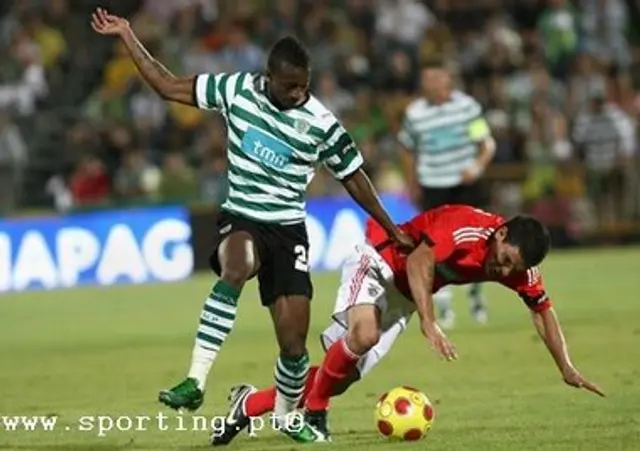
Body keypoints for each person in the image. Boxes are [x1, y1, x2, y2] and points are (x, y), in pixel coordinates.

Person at [90, 8, 415, 425]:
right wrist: (127, 35)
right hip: (242, 217)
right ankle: (195, 381)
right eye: (290, 86)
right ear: (269, 77)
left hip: (289, 231)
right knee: (236, 265)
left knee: (294, 344)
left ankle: (285, 418)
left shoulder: (321, 123)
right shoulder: (236, 89)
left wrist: (391, 228)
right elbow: (167, 86)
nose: (298, 93)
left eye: (304, 86)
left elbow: (354, 178)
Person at [213, 204, 604, 445]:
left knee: (343, 376)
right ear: (500, 234)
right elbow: (420, 261)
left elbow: (542, 309)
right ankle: (316, 412)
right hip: (380, 260)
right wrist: (429, 323)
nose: (501, 269)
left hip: (405, 297)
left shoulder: (518, 267)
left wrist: (566, 367)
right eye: (503, 259)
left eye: (511, 268)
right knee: (362, 335)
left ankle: (248, 403)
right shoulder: (466, 227)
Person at [399, 61, 496, 330]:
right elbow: (407, 149)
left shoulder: (466, 107)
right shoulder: (415, 114)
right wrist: (412, 182)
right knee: (435, 248)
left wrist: (476, 166)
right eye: (427, 80)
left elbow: (486, 143)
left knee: (477, 245)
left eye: (436, 78)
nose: (431, 85)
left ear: (447, 80)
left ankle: (476, 295)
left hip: (465, 184)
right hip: (433, 184)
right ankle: (444, 308)